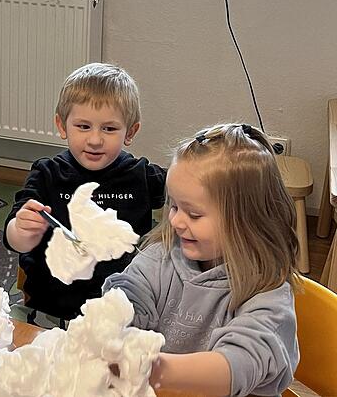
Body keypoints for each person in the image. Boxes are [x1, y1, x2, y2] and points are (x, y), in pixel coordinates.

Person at [103, 123, 300, 396]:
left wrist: (149, 368)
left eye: (193, 214)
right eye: (174, 206)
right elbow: (131, 293)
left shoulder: (267, 294)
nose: (176, 221)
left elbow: (239, 365)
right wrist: (109, 321)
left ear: (246, 222)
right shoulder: (163, 256)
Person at [3, 63, 166, 328]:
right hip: (50, 307)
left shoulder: (143, 176)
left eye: (109, 129)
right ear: (62, 125)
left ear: (131, 132)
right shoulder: (47, 174)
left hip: (119, 313)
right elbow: (15, 240)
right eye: (83, 126)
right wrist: (22, 231)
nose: (95, 140)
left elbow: (189, 189)